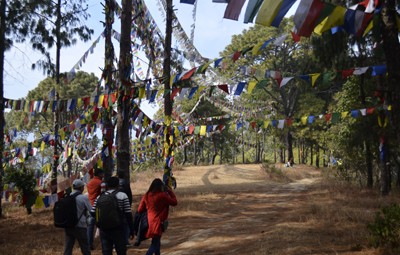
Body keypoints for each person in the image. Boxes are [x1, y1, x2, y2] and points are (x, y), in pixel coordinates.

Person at [91, 176, 134, 255]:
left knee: (106, 252)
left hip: (104, 230)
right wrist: (131, 230)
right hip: (118, 229)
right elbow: (128, 214)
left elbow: (93, 212)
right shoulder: (123, 196)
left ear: (107, 185)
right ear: (118, 185)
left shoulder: (100, 197)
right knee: (121, 251)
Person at [138, 178, 178, 255]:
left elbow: (140, 209)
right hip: (158, 222)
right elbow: (174, 202)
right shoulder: (162, 195)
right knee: (154, 244)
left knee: (156, 241)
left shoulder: (146, 195)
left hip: (150, 221)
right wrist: (169, 191)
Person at [64, 179, 92, 255]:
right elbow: (91, 210)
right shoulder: (83, 198)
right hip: (80, 226)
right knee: (85, 248)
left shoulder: (67, 197)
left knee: (68, 248)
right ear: (81, 188)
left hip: (68, 226)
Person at [86, 168, 104, 250]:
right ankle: (104, 244)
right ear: (100, 174)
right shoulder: (101, 183)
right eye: (102, 174)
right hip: (98, 206)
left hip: (90, 206)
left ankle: (89, 244)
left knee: (90, 227)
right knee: (102, 225)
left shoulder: (89, 183)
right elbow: (103, 194)